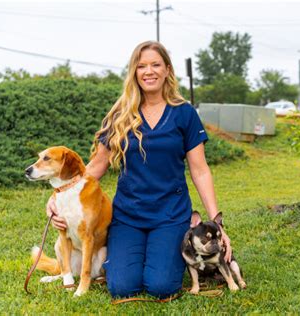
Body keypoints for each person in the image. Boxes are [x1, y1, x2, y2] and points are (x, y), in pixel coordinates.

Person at [46, 40, 232, 299]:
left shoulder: (184, 113)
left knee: (161, 286)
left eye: (156, 65)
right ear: (134, 72)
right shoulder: (121, 114)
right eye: (141, 66)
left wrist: (217, 225)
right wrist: (58, 198)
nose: (149, 71)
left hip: (170, 214)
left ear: (167, 69)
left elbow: (200, 170)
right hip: (128, 215)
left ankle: (160, 257)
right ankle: (132, 257)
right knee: (122, 287)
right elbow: (96, 166)